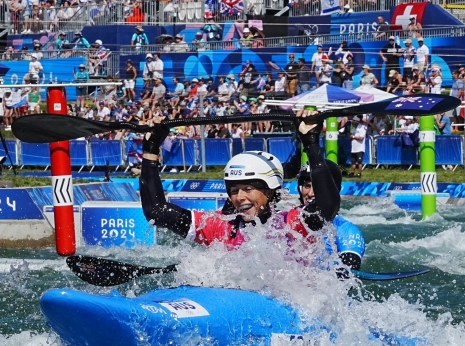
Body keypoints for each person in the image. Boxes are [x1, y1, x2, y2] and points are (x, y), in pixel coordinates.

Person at [138, 110, 339, 252]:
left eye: (248, 188)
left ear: (270, 191)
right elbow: (156, 212)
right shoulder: (219, 226)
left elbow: (327, 209)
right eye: (234, 190)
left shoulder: (292, 224)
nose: (240, 197)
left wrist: (311, 145)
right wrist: (151, 151)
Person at [297, 162, 365, 271]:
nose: (310, 193)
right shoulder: (288, 219)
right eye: (307, 186)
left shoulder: (346, 230)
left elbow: (349, 276)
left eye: (319, 187)